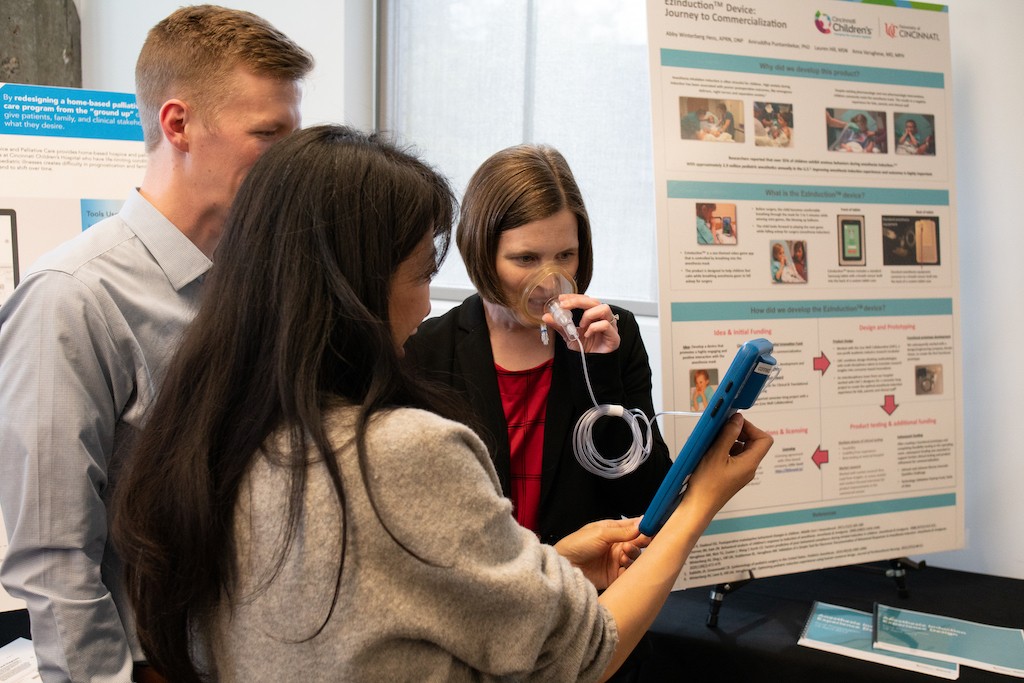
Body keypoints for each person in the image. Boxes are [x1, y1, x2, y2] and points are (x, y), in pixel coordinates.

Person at [110, 124, 774, 682]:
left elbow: (395, 588)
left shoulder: (208, 429)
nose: (550, 277)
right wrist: (704, 499)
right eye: (420, 274)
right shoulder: (407, 430)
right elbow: (579, 647)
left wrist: (557, 558)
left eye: (566, 254)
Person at [0, 6, 312, 681]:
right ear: (178, 124)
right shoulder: (72, 299)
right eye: (269, 134)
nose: (292, 161)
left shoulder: (264, 286)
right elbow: (54, 562)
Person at [405, 144, 673, 545]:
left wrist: (599, 375)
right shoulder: (429, 350)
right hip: (476, 591)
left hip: (583, 591)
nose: (550, 281)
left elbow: (645, 498)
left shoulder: (615, 334)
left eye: (566, 255)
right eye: (526, 259)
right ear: (481, 252)